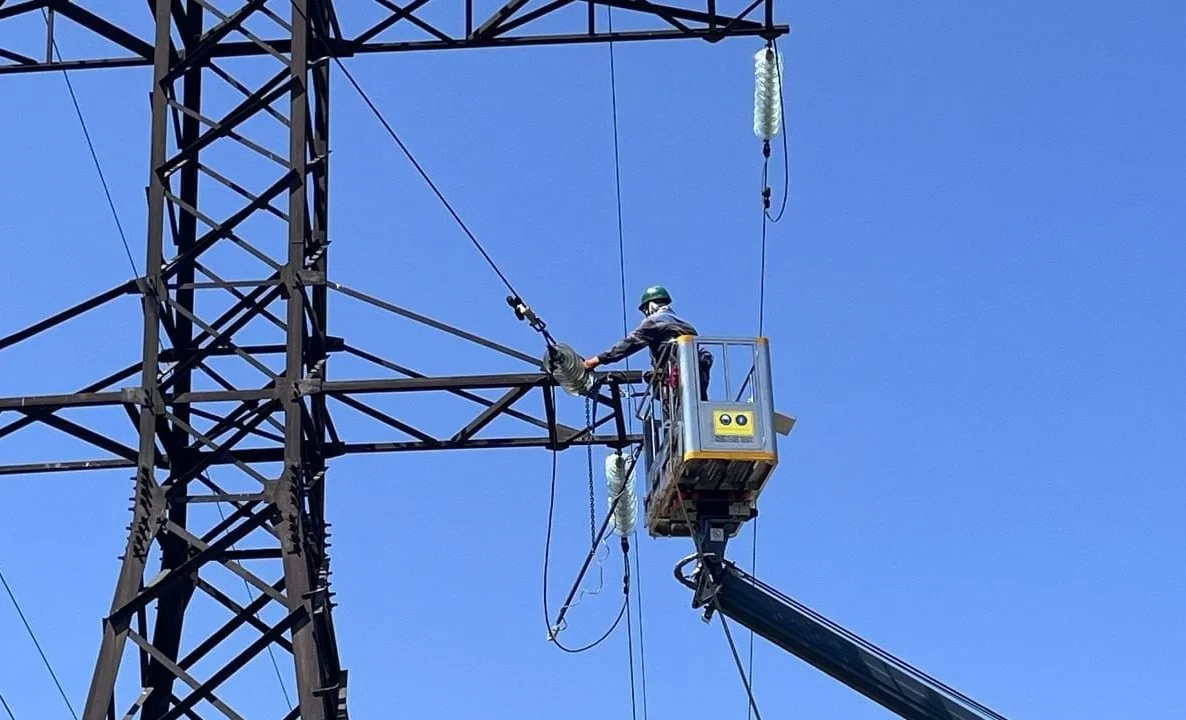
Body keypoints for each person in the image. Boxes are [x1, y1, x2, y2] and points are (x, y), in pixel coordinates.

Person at [584, 285, 712, 401]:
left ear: (651, 306)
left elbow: (629, 344)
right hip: (697, 382)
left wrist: (595, 361)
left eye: (645, 309)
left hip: (677, 380)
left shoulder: (655, 321)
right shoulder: (686, 326)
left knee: (678, 405)